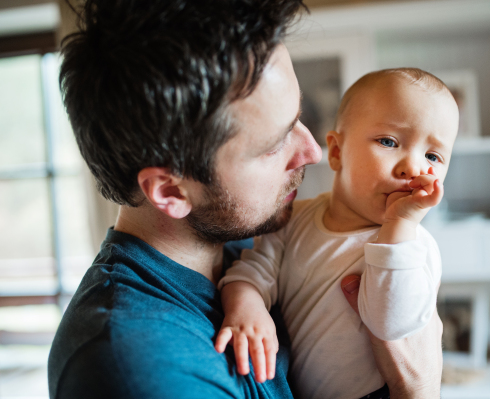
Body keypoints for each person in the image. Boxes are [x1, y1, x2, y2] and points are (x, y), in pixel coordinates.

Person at [47, 0, 443, 398]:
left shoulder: (246, 240)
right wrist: (419, 390)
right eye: (274, 144)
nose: (312, 151)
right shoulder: (144, 372)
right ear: (170, 190)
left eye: (298, 117)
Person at [216, 68, 458, 399]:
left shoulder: (415, 247)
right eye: (389, 141)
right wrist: (246, 305)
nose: (412, 168)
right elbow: (252, 271)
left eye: (432, 156)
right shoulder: (295, 221)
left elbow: (390, 325)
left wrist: (400, 225)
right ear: (336, 152)